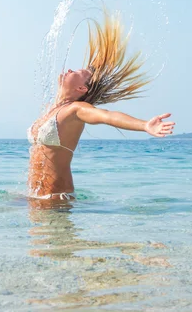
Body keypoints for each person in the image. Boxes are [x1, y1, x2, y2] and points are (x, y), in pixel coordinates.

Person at [27, 12, 175, 200]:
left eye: (77, 72)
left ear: (81, 87)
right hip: (34, 198)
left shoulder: (76, 110)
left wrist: (145, 125)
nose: (70, 69)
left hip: (56, 200)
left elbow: (108, 116)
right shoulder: (51, 108)